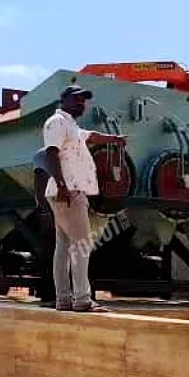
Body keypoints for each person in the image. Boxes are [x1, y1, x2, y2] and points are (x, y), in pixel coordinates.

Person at [43, 86, 125, 313]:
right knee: (81, 246)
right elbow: (50, 153)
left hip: (67, 192)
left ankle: (64, 300)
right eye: (77, 100)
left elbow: (91, 136)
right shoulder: (57, 122)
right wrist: (62, 186)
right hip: (69, 192)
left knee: (64, 248)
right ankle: (82, 300)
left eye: (84, 100)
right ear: (64, 100)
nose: (82, 104)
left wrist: (115, 139)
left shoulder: (71, 126)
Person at [32, 147, 57, 306]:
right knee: (51, 252)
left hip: (57, 210)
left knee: (53, 252)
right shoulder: (43, 155)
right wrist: (45, 212)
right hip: (51, 211)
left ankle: (50, 293)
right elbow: (40, 182)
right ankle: (49, 294)